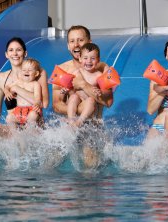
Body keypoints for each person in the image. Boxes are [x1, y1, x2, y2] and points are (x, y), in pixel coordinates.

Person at [52, 25, 114, 168]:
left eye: (80, 40)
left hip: (92, 128)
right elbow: (56, 105)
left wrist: (84, 86)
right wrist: (81, 109)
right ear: (68, 46)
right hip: (70, 124)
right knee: (51, 162)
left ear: (89, 42)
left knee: (90, 168)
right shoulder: (62, 70)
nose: (76, 45)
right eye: (72, 41)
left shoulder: (103, 68)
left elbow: (109, 102)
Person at [66, 43, 103, 127]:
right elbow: (69, 86)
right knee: (73, 97)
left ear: (98, 60)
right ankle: (71, 120)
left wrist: (99, 92)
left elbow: (103, 96)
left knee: (91, 100)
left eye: (93, 58)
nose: (89, 61)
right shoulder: (76, 72)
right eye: (85, 58)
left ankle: (80, 121)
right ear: (80, 59)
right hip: (79, 101)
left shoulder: (99, 75)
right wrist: (65, 89)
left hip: (91, 105)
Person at [5, 58, 42, 126]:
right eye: (24, 70)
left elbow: (37, 98)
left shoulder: (35, 84)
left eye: (30, 70)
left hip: (31, 110)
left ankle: (31, 132)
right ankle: (14, 134)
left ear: (36, 73)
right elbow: (7, 86)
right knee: (9, 117)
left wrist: (37, 103)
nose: (26, 72)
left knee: (33, 115)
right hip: (19, 110)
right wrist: (7, 92)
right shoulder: (18, 81)